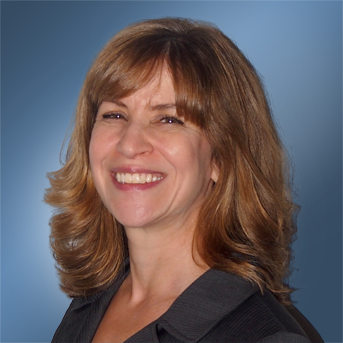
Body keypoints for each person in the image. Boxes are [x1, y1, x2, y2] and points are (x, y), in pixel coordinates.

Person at [45, 17, 323, 343]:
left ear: (220, 158)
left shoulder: (266, 337)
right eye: (115, 115)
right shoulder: (90, 304)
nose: (130, 144)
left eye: (169, 119)